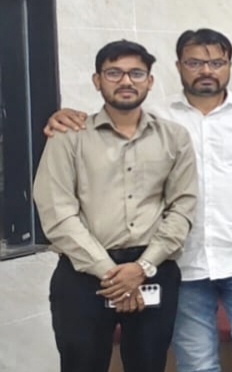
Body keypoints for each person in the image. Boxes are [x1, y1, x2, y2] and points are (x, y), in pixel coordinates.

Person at [42, 30, 232, 372]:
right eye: (194, 62)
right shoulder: (150, 118)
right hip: (167, 263)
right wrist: (62, 117)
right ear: (178, 66)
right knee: (194, 365)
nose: (206, 70)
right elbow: (60, 210)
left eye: (216, 62)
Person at [33, 40, 198, 372]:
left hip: (152, 270)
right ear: (97, 80)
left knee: (149, 365)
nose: (126, 81)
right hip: (83, 273)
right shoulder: (68, 137)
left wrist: (142, 268)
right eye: (114, 73)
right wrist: (110, 274)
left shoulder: (174, 137)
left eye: (136, 73)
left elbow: (182, 207)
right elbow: (57, 212)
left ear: (149, 81)